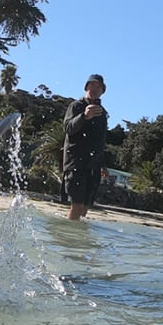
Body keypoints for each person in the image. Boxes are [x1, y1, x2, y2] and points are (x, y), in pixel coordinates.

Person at [61, 73, 109, 220]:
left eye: (98, 86)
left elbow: (101, 141)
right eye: (91, 85)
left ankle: (74, 239)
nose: (94, 88)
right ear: (86, 87)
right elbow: (68, 128)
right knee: (77, 205)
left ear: (102, 91)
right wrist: (84, 117)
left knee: (86, 207)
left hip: (93, 165)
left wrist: (103, 164)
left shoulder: (103, 113)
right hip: (76, 162)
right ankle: (66, 238)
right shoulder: (76, 106)